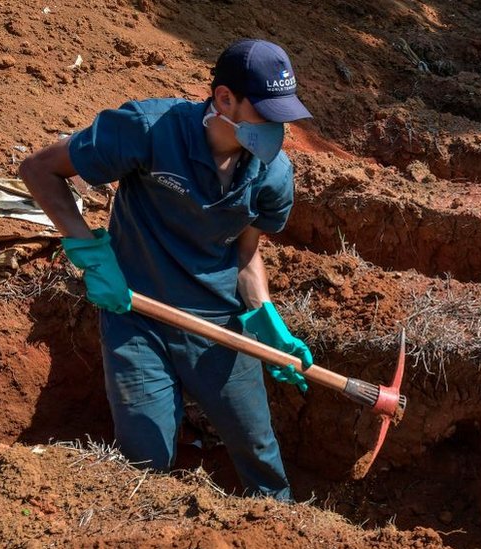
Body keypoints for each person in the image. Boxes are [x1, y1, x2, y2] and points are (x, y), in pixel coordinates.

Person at [19, 38, 316, 501]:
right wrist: (90, 252)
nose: (279, 129)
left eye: (284, 115)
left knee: (258, 452)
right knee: (145, 463)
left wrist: (263, 314)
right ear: (223, 99)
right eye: (266, 113)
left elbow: (245, 251)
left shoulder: (272, 174)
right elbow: (39, 169)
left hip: (218, 324)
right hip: (136, 316)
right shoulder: (149, 129)